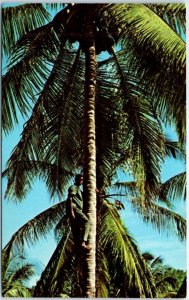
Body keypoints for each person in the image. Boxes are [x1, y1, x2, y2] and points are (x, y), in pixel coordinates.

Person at [67, 174, 91, 251]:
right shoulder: (73, 187)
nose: (81, 181)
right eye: (80, 179)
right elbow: (69, 199)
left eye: (82, 180)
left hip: (78, 210)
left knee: (77, 229)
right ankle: (83, 243)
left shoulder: (79, 190)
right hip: (74, 208)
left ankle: (78, 247)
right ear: (76, 180)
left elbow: (88, 195)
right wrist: (71, 212)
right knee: (87, 221)